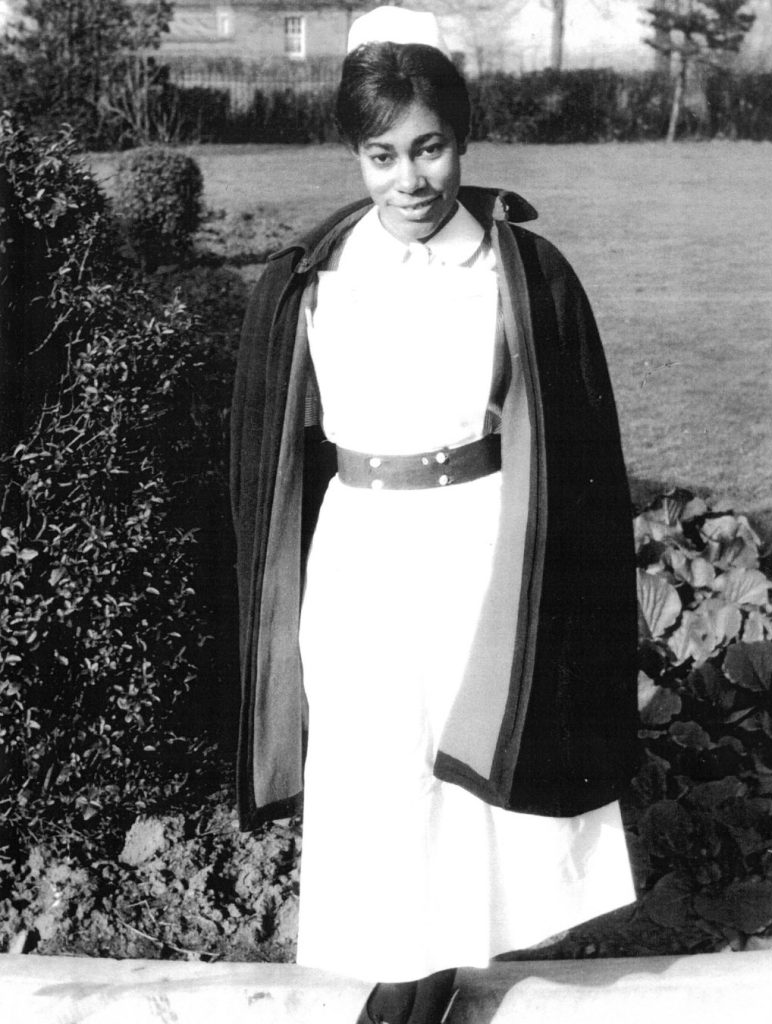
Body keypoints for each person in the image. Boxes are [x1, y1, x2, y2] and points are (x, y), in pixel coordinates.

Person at [231, 8, 641, 1023]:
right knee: (377, 763)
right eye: (381, 155)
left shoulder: (519, 272)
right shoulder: (311, 279)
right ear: (353, 153)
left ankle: (435, 969)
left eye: (430, 148)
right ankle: (400, 960)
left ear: (462, 142)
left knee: (463, 766)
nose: (409, 180)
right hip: (363, 547)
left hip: (476, 537)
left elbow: (578, 443)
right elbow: (273, 444)